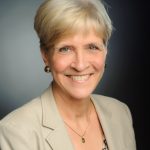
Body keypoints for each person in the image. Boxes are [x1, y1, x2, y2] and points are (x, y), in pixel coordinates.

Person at [0, 0, 136, 149]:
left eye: (92, 47)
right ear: (45, 55)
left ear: (105, 51)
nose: (80, 65)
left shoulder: (120, 113)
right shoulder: (15, 132)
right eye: (65, 49)